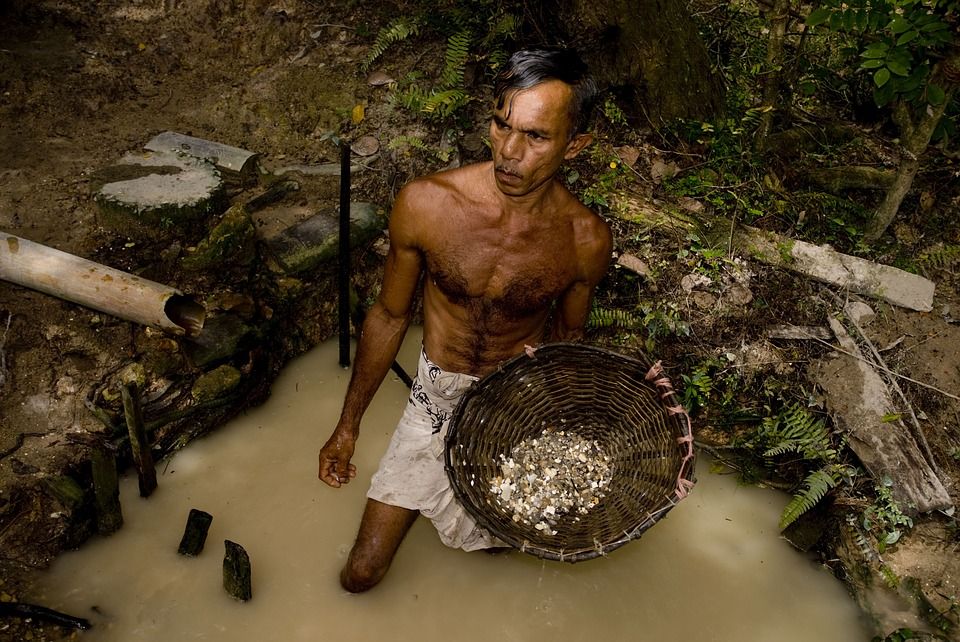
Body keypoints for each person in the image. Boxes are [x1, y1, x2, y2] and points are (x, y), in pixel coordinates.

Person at [317, 47, 613, 593]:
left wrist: (566, 434)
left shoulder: (584, 241)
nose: (509, 152)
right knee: (361, 574)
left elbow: (569, 340)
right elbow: (387, 316)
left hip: (510, 405)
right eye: (502, 126)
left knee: (499, 548)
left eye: (536, 137)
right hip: (435, 393)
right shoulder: (427, 203)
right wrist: (348, 426)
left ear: (576, 146)